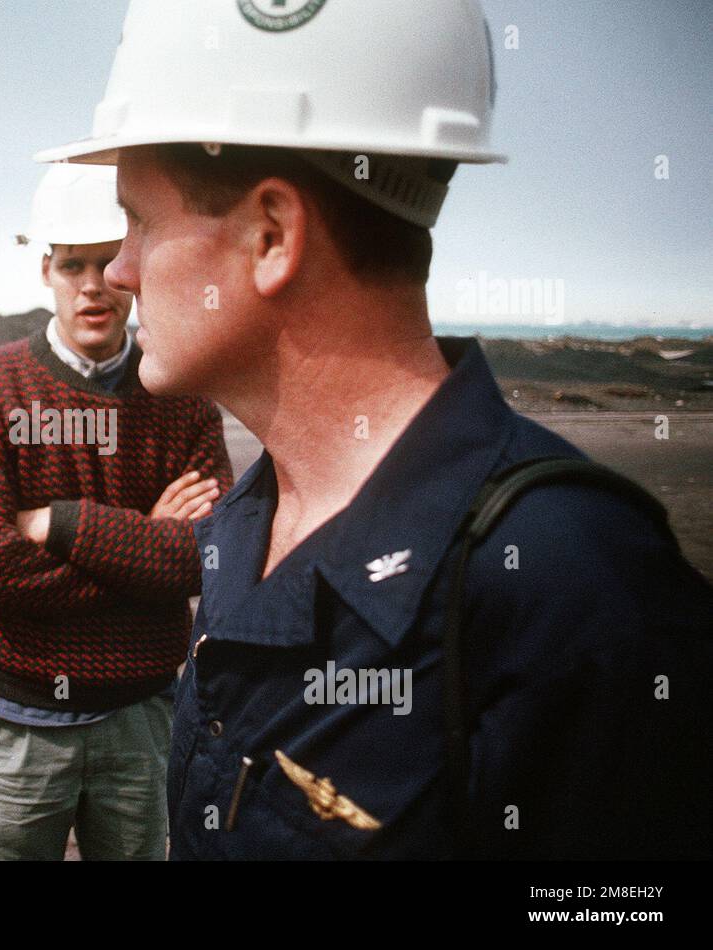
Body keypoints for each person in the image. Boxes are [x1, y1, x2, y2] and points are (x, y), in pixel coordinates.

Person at [36, 0, 712, 858]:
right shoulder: (250, 515)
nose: (121, 270)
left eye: (139, 220)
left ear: (272, 235)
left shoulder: (579, 590)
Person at [0, 163, 233, 860]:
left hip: (143, 715)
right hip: (16, 720)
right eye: (74, 264)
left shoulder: (185, 395)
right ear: (46, 269)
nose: (93, 284)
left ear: (134, 265)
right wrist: (147, 544)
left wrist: (60, 523)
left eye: (107, 262)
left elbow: (208, 555)